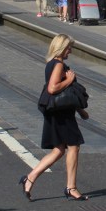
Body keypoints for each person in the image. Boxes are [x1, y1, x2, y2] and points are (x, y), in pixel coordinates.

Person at [20, 34, 89, 201]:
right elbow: (53, 88)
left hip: (58, 112)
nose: (70, 51)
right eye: (68, 48)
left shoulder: (51, 64)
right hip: (61, 114)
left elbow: (65, 93)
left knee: (59, 150)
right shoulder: (58, 64)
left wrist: (80, 111)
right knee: (74, 146)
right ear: (61, 48)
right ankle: (71, 187)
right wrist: (69, 79)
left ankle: (30, 178)